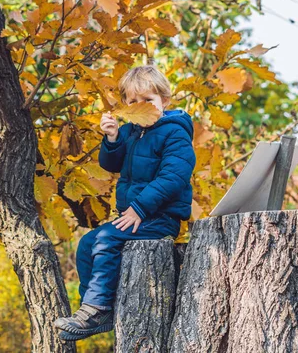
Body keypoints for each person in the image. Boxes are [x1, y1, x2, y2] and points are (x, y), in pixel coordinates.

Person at [54, 65, 196, 341]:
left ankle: (96, 307)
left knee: (106, 239)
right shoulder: (132, 132)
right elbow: (112, 164)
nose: (141, 108)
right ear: (126, 106)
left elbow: (174, 177)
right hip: (135, 216)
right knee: (87, 243)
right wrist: (112, 138)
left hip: (159, 218)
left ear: (164, 101)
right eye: (133, 103)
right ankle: (94, 308)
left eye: (148, 101)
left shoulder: (175, 133)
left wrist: (140, 208)